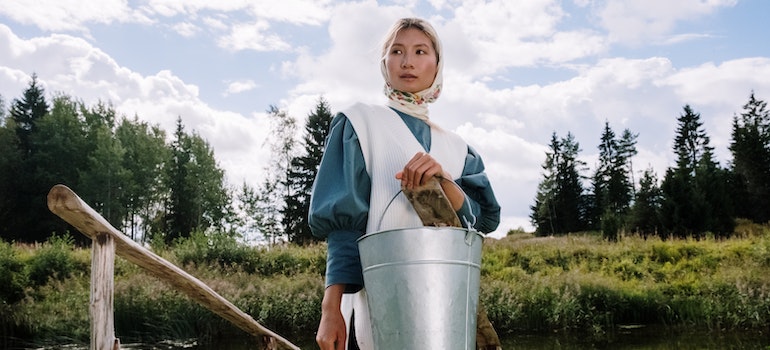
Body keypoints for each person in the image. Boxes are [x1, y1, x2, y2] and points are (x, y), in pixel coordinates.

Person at [309, 17, 501, 350]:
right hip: (380, 306)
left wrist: (443, 181)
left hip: (446, 314)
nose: (408, 62)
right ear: (384, 63)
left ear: (437, 63)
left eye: (420, 51)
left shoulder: (458, 149)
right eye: (396, 51)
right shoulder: (360, 123)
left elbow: (479, 222)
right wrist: (331, 309)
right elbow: (344, 227)